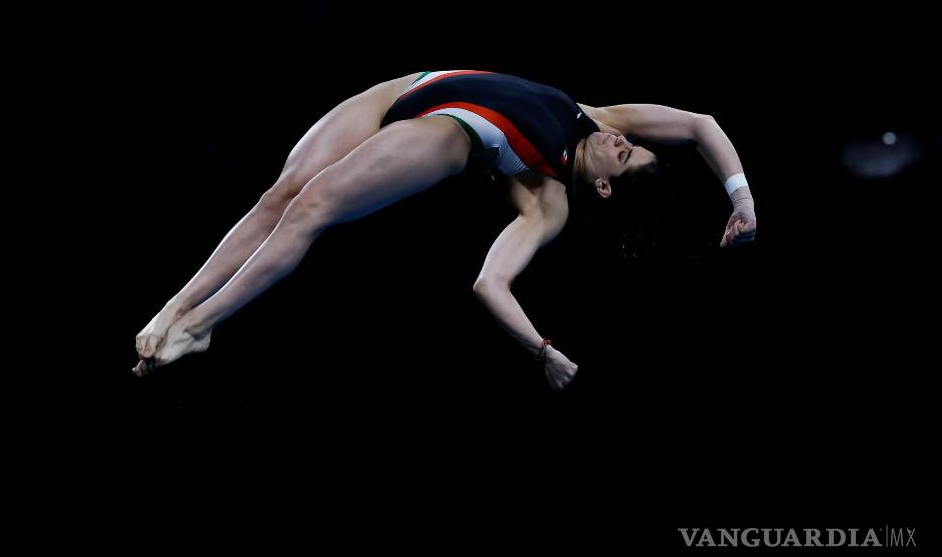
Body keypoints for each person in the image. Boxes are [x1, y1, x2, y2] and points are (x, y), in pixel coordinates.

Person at [134, 70, 756, 389]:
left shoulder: (548, 201)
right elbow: (701, 123)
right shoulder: (601, 116)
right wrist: (742, 200)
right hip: (408, 88)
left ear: (603, 186)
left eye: (625, 155)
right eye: (632, 142)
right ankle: (176, 307)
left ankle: (199, 327)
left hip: (451, 132)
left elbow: (493, 283)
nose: (621, 140)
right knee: (279, 195)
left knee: (312, 207)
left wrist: (541, 350)